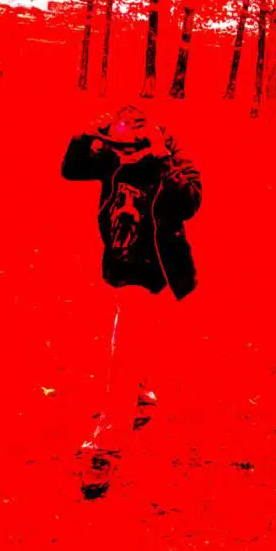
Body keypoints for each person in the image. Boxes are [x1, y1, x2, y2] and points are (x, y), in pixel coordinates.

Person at [61, 104, 202, 499]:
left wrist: (162, 160)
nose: (121, 156)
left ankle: (104, 448)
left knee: (123, 349)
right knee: (133, 338)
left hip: (158, 269)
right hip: (121, 266)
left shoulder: (172, 162)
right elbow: (71, 169)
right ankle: (142, 397)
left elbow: (190, 201)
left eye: (129, 149)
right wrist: (87, 133)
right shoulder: (113, 158)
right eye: (117, 148)